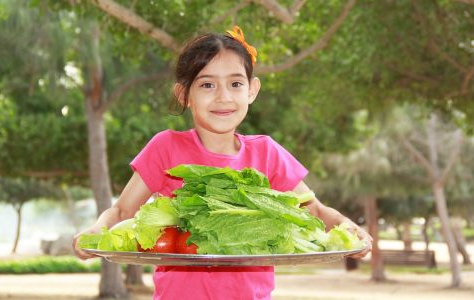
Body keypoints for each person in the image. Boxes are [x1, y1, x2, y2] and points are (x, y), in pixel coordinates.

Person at [73, 26, 372, 300]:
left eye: (235, 83)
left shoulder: (267, 153)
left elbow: (315, 211)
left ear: (252, 90)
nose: (223, 97)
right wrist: (98, 231)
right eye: (207, 85)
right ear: (183, 94)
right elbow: (123, 210)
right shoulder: (166, 147)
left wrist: (349, 228)